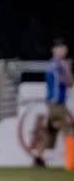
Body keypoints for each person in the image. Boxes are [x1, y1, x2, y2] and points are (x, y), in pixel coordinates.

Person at [31, 37, 73, 167]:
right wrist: (67, 68)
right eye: (60, 49)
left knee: (49, 133)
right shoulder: (56, 64)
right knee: (69, 128)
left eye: (64, 49)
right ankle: (70, 162)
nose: (63, 51)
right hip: (56, 104)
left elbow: (67, 83)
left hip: (54, 104)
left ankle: (38, 156)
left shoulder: (55, 64)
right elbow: (66, 82)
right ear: (54, 50)